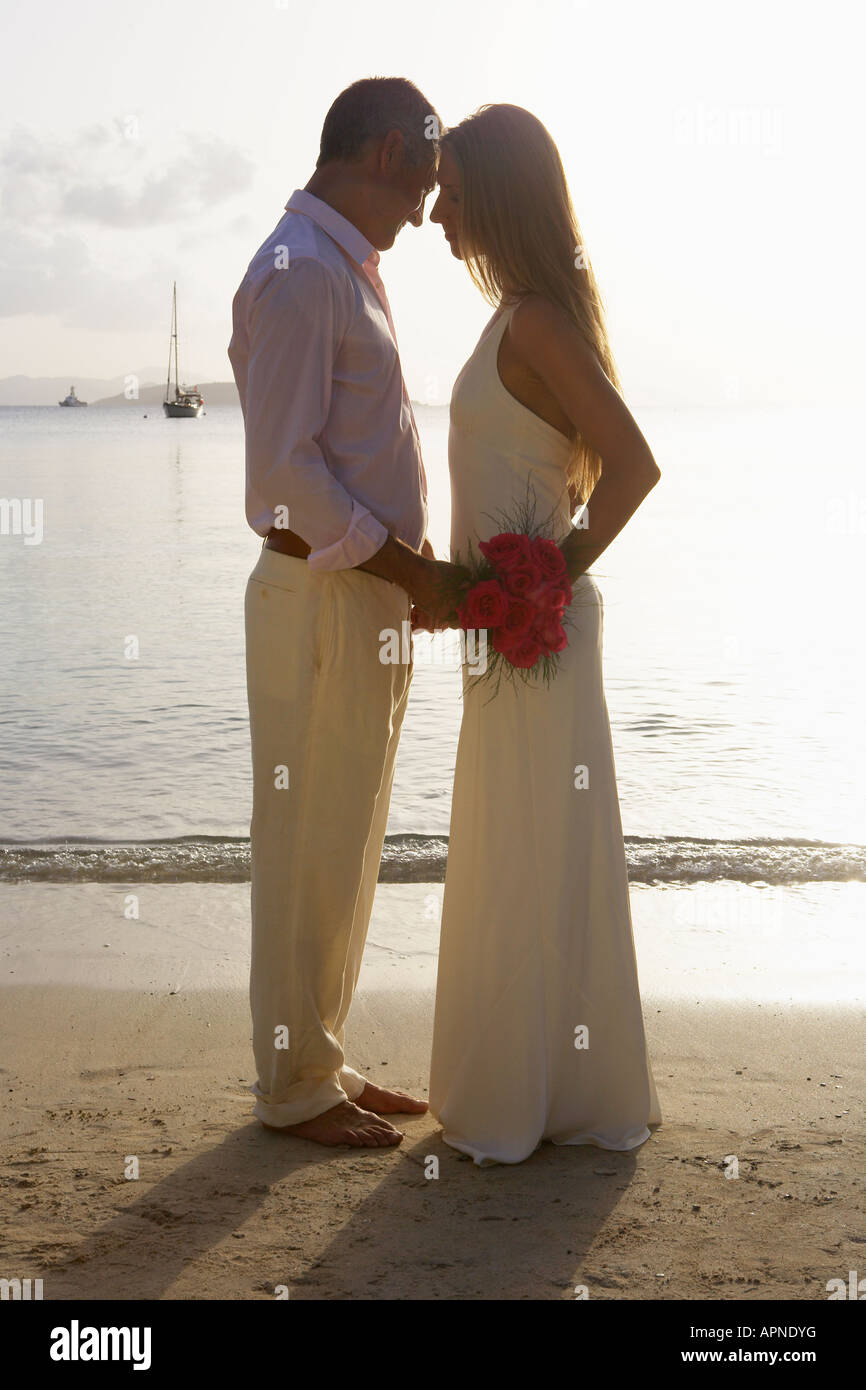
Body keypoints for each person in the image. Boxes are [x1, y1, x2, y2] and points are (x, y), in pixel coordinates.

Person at [228, 78, 466, 1149]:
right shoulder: (297, 273)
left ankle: (316, 1056)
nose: (424, 208)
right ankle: (290, 1086)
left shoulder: (340, 269)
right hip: (321, 593)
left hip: (358, 591)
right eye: (419, 179)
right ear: (380, 151)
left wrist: (400, 575)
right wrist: (408, 570)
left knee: (346, 836)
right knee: (304, 838)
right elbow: (283, 474)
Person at [424, 104, 663, 1165]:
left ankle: (532, 1098)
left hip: (537, 634)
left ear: (499, 197)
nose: (435, 211)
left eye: (454, 192)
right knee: (518, 845)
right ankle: (547, 1088)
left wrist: (547, 574)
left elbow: (633, 466)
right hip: (506, 634)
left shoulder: (533, 326)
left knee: (533, 848)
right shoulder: (510, 318)